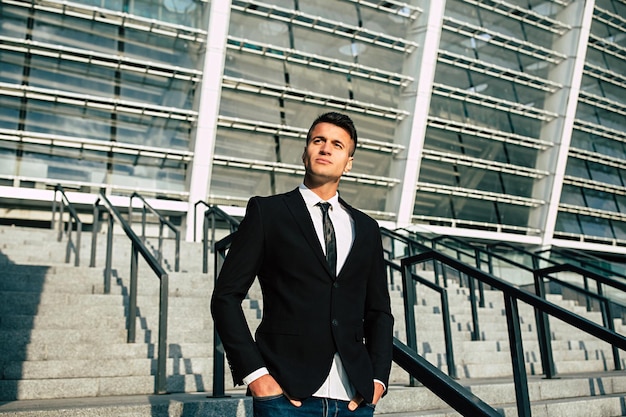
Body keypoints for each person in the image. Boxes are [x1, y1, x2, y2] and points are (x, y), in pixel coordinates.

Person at [210, 111, 394, 416]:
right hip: (285, 396)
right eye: (318, 140)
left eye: (337, 144)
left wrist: (378, 380)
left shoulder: (367, 228)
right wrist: (256, 376)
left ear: (348, 162)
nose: (325, 148)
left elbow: (379, 312)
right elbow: (225, 297)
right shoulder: (267, 213)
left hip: (355, 399)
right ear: (305, 152)